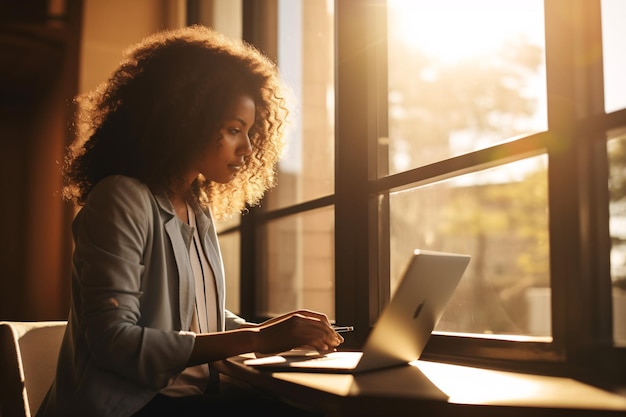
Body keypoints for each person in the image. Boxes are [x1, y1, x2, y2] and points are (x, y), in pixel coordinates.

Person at [37, 26, 343, 417]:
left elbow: (193, 321)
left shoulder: (195, 207)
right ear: (186, 118)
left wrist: (275, 331)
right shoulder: (121, 198)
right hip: (132, 407)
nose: (248, 147)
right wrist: (259, 337)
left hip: (187, 399)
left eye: (250, 132)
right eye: (234, 130)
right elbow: (113, 342)